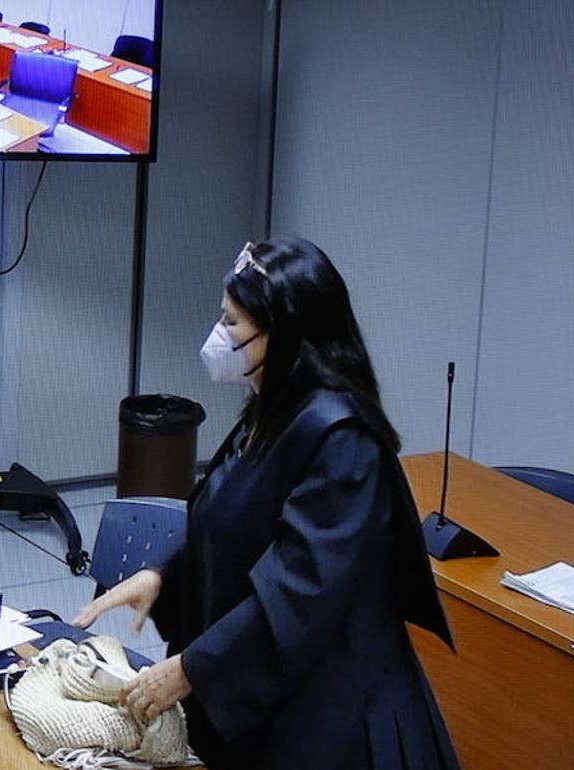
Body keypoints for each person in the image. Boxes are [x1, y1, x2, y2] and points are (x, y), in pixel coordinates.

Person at [73, 238, 459, 770]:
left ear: (286, 336)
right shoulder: (273, 409)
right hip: (267, 702)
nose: (218, 336)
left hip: (333, 723)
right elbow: (234, 527)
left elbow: (297, 593)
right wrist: (164, 578)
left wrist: (192, 669)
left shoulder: (343, 441)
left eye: (232, 324)